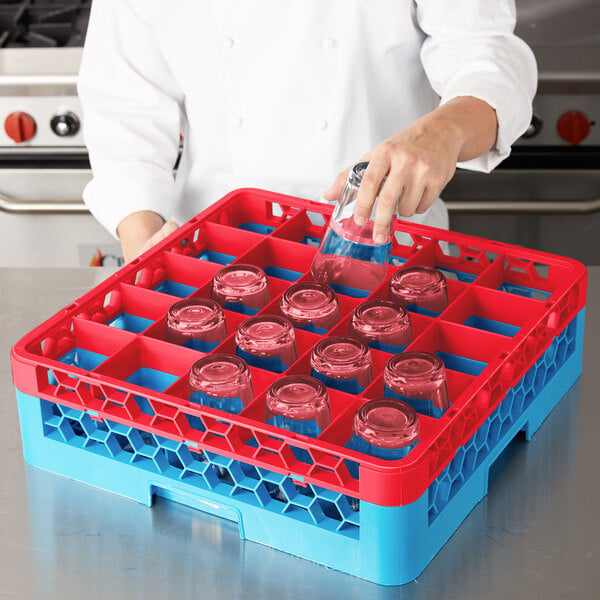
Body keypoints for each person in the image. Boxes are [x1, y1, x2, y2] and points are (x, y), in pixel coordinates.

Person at [78, 0, 537, 263]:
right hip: (213, 254)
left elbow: (485, 54)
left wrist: (446, 129)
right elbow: (123, 107)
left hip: (389, 251)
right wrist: (146, 245)